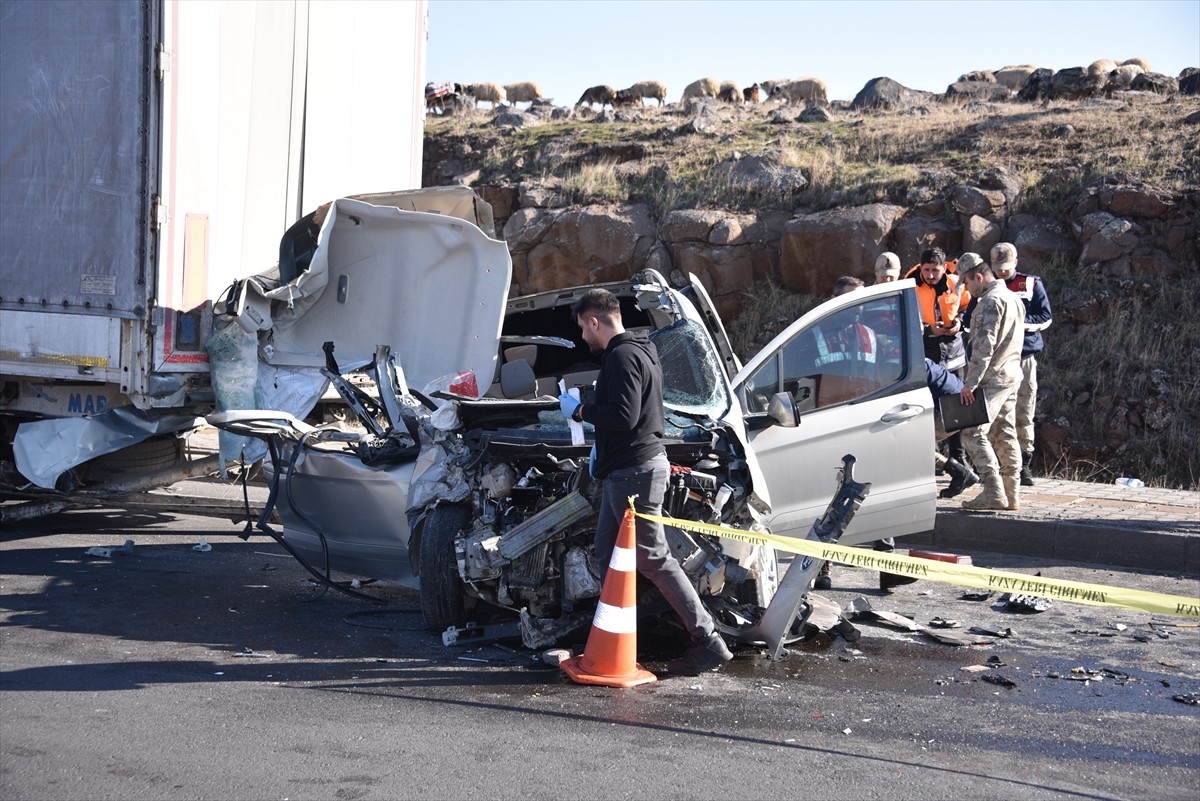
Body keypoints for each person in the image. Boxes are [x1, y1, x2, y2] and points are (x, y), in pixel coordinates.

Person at [560, 288, 733, 675]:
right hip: (628, 469)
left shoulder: (620, 356)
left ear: (594, 321)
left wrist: (581, 410)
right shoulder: (641, 351)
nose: (583, 338)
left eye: (583, 329)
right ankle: (613, 639)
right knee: (608, 555)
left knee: (653, 559)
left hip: (634, 473)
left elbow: (624, 415)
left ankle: (709, 642)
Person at [955, 253, 1025, 511]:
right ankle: (1012, 494)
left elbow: (984, 348)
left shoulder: (989, 301)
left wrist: (970, 384)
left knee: (972, 431)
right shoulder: (1013, 298)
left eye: (967, 282)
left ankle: (993, 491)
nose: (967, 289)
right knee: (1005, 432)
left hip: (993, 379)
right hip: (1012, 375)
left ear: (979, 277)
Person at [910, 247, 975, 498]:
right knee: (927, 409)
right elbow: (907, 320)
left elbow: (968, 307)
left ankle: (958, 459)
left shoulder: (955, 282)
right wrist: (929, 330)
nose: (930, 275)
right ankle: (932, 461)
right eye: (926, 270)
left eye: (935, 270)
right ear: (920, 267)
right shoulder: (911, 284)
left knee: (955, 408)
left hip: (954, 350)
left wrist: (959, 321)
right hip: (927, 349)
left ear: (942, 267)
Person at [990, 242, 1053, 486]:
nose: (1002, 272)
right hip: (997, 360)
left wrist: (1018, 324)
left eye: (1005, 267)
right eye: (998, 267)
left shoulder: (1030, 284)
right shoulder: (988, 286)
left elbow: (1045, 317)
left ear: (1015, 263)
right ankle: (1000, 464)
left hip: (1024, 358)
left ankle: (1024, 466)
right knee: (998, 412)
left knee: (1024, 411)